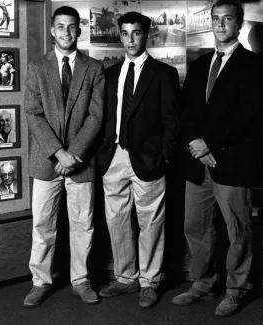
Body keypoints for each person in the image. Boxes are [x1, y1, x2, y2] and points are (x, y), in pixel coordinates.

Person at [172, 0, 263, 317]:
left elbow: (249, 117)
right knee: (194, 225)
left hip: (232, 162)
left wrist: (209, 144)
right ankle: (203, 282)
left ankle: (236, 289)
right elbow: (184, 114)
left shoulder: (254, 65)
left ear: (239, 24)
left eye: (227, 18)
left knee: (237, 229)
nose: (220, 23)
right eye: (215, 18)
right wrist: (195, 143)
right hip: (196, 163)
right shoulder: (198, 66)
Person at [23, 6, 105, 307]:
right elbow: (32, 113)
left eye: (72, 27)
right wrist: (59, 152)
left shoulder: (93, 67)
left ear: (79, 30)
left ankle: (81, 281)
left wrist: (74, 154)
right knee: (43, 224)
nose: (66, 32)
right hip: (46, 160)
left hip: (81, 161)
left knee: (83, 223)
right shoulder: (36, 66)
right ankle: (40, 281)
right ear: (52, 30)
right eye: (60, 26)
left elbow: (96, 117)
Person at [98, 11, 180, 308]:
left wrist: (163, 156)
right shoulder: (109, 74)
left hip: (148, 160)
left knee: (151, 223)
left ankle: (150, 282)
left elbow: (173, 122)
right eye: (124, 33)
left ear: (147, 35)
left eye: (136, 33)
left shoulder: (163, 74)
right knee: (117, 221)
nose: (130, 39)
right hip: (114, 158)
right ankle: (125, 277)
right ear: (119, 35)